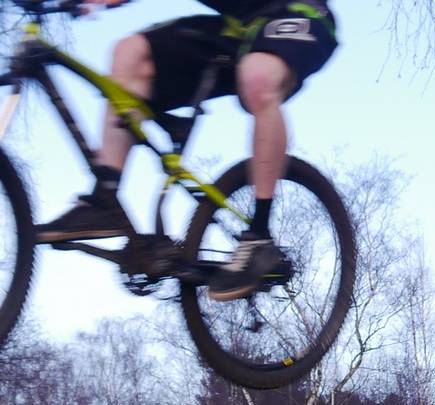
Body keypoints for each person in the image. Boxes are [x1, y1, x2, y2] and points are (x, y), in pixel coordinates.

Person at [34, 0, 338, 300]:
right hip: (238, 29)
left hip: (298, 13)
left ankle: (259, 237)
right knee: (129, 54)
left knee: (258, 76)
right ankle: (104, 199)